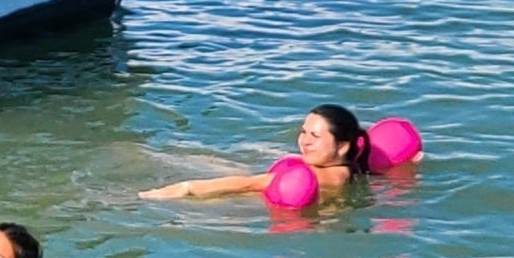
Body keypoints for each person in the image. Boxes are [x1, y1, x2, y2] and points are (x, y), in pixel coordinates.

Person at [140, 104, 376, 202]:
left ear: (343, 146)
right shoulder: (348, 167)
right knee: (215, 161)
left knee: (199, 203)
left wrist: (187, 188)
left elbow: (250, 184)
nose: (304, 141)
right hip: (285, 194)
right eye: (303, 132)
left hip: (276, 206)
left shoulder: (328, 177)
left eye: (314, 137)